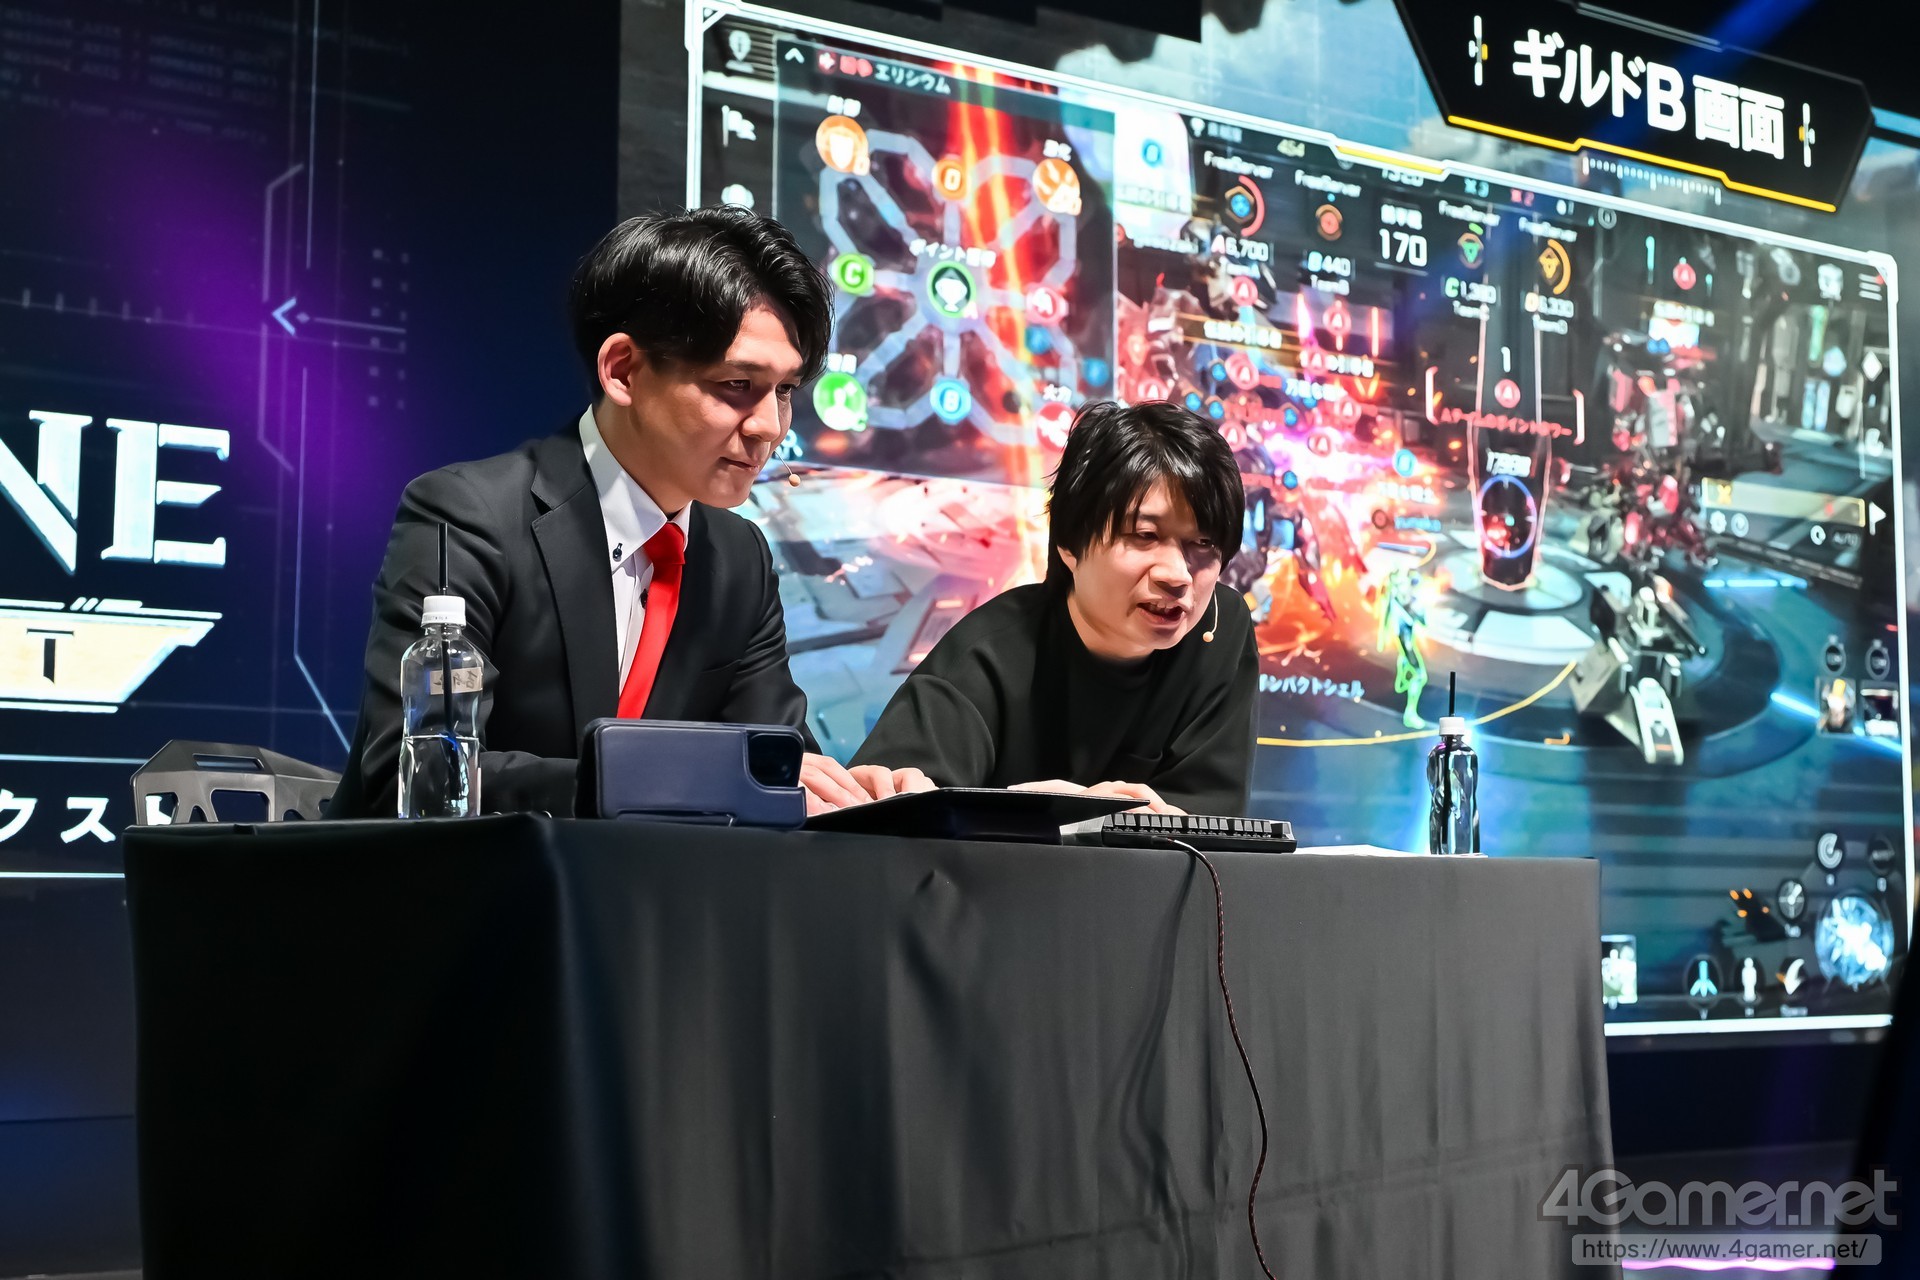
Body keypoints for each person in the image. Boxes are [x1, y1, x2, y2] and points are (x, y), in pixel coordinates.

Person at [331, 206, 892, 817]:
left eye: (784, 391)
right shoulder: (468, 517)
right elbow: (414, 775)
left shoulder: (740, 558)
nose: (769, 427)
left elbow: (780, 766)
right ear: (623, 370)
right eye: (737, 385)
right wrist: (681, 780)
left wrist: (865, 798)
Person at [850, 400, 1258, 815]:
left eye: (1203, 543)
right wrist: (1049, 814)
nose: (1179, 575)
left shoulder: (1221, 628)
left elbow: (1213, 819)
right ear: (1069, 544)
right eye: (1144, 535)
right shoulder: (985, 658)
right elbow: (879, 816)